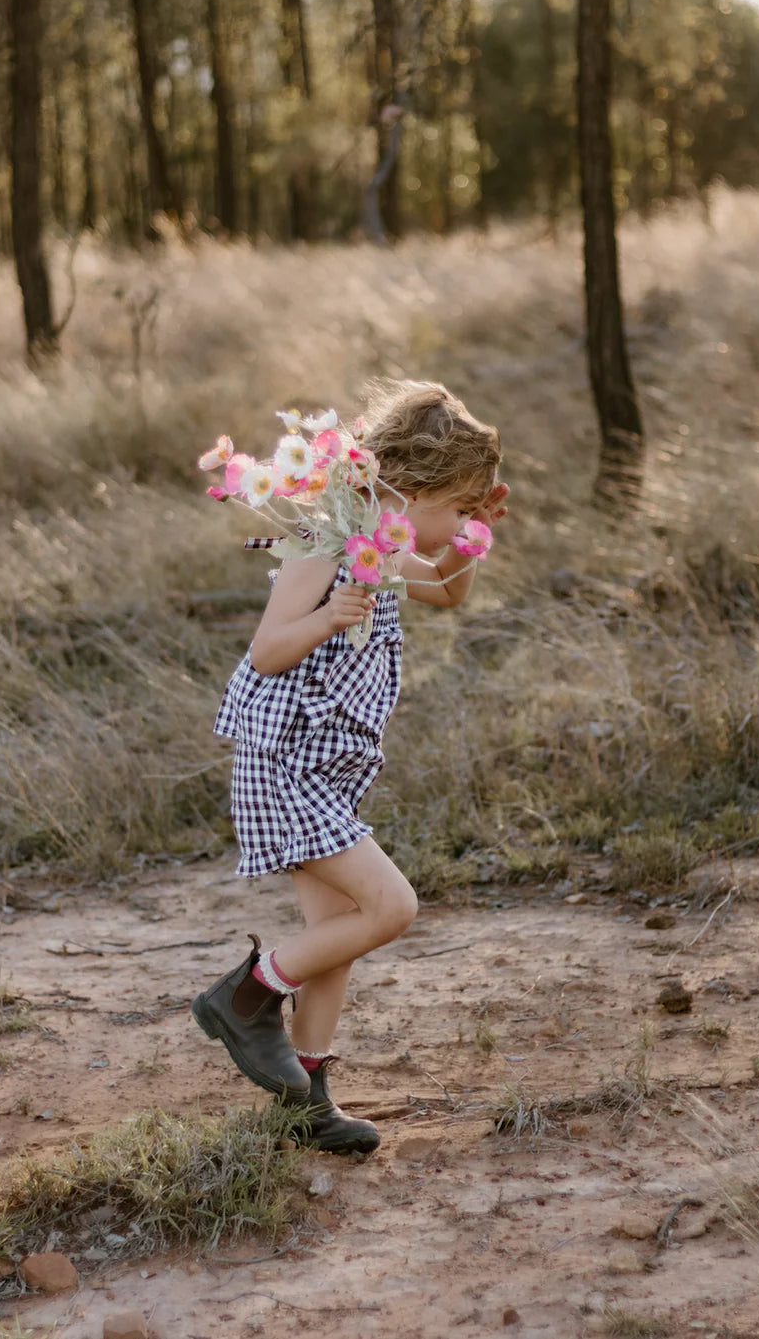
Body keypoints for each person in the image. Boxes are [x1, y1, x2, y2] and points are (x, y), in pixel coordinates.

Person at [192, 381, 508, 1153]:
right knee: (391, 907)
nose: (459, 521)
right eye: (456, 506)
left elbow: (443, 591)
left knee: (334, 934)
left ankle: (307, 1100)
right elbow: (266, 651)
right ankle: (246, 993)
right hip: (287, 758)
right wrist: (328, 614)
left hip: (329, 765)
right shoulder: (326, 544)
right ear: (412, 487)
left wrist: (466, 544)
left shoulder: (383, 540)